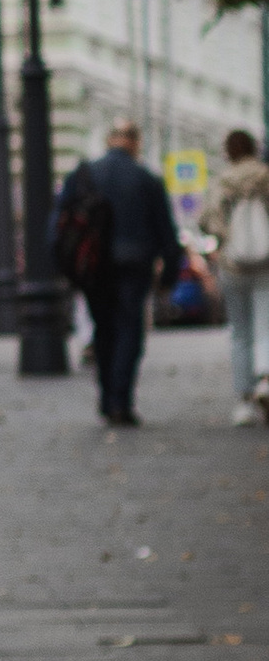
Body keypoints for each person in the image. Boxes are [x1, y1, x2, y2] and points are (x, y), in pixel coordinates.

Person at [55, 115, 183, 427]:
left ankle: (106, 396)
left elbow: (60, 225)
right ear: (135, 143)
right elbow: (167, 233)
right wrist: (168, 277)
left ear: (109, 140)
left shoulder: (85, 175)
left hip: (95, 267)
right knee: (128, 330)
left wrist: (64, 268)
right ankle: (120, 402)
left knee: (103, 328)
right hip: (134, 266)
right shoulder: (147, 179)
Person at [199, 132, 269, 425]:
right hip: (267, 264)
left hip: (233, 265)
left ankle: (244, 401)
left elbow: (207, 220)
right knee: (266, 325)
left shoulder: (222, 181)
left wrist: (226, 237)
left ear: (228, 152)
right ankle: (266, 380)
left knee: (240, 333)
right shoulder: (266, 176)